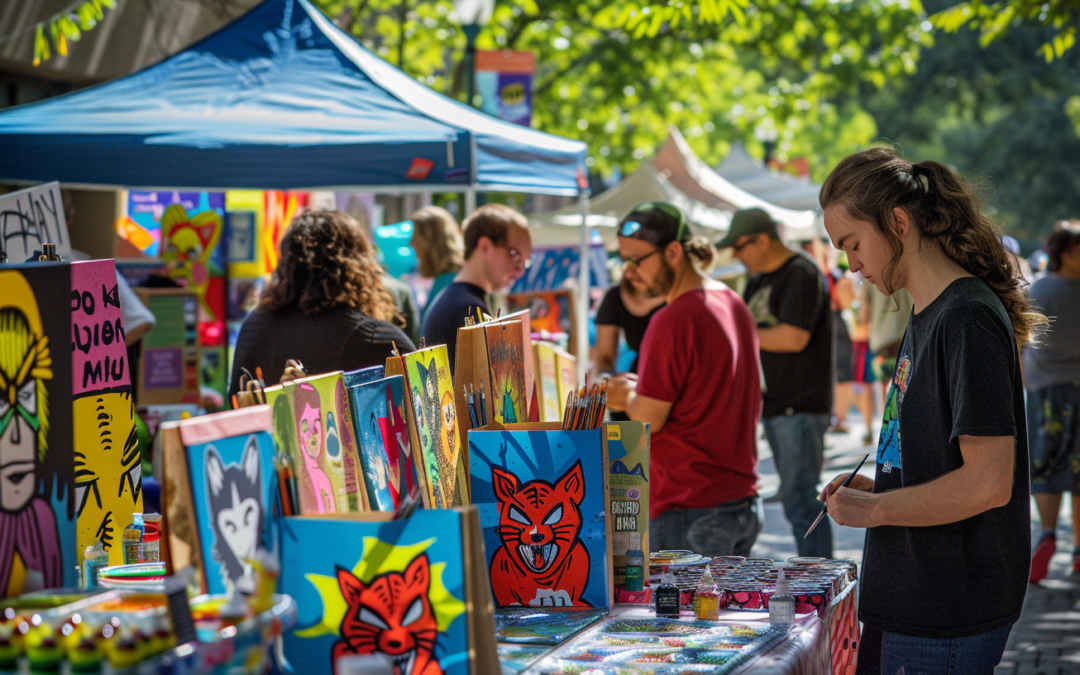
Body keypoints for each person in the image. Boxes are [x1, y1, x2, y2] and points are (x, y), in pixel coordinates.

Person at [819, 147, 1041, 672]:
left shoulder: (966, 318)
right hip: (915, 602)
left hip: (946, 611)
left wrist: (874, 511)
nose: (851, 264)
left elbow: (988, 482)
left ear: (897, 222)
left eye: (852, 244)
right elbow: (942, 462)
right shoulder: (927, 311)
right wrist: (885, 487)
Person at [605, 202, 762, 557]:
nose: (629, 272)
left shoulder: (673, 318)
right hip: (739, 502)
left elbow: (649, 417)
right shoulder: (731, 300)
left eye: (636, 261)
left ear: (673, 252)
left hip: (691, 507)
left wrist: (622, 397)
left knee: (687, 615)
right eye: (624, 262)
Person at [717, 208, 835, 559]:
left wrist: (739, 330)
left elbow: (793, 337)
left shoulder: (800, 272)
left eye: (739, 247)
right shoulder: (757, 280)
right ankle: (816, 576)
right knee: (795, 499)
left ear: (762, 240)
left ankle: (819, 579)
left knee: (801, 499)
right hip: (773, 404)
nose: (736, 255)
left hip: (799, 404)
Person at [229, 210, 413, 397]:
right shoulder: (377, 339)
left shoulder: (255, 326)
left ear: (286, 262)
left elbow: (236, 402)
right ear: (358, 265)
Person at [1025, 224, 1080, 583]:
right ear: (1066, 252)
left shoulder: (1040, 288)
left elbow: (1028, 342)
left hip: (1044, 391)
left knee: (1044, 466)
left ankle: (1046, 534)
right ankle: (1078, 550)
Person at [421, 204, 532, 372]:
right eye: (514, 254)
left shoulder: (460, 300)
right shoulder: (465, 308)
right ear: (485, 246)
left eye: (525, 260)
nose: (520, 269)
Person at [593, 279, 665, 421]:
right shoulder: (615, 296)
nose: (630, 271)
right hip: (636, 387)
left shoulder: (681, 299)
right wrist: (608, 384)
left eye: (636, 261)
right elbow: (604, 358)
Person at [410, 205, 465, 320]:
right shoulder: (448, 279)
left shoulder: (451, 284)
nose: (411, 243)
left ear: (430, 241)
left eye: (415, 236)